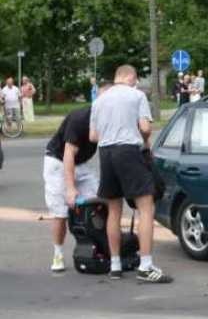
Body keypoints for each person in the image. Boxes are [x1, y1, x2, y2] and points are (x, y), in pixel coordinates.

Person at [89, 64, 172, 283]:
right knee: (146, 207)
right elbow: (145, 128)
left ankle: (115, 265)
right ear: (130, 77)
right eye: (135, 80)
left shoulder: (99, 101)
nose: (135, 83)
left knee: (114, 210)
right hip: (128, 151)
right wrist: (141, 138)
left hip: (106, 153)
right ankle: (145, 266)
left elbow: (93, 136)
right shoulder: (136, 96)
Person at [43, 91, 105, 271]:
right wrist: (70, 188)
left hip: (82, 164)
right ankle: (58, 254)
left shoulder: (109, 117)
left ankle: (99, 248)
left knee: (100, 203)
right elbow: (68, 154)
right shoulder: (79, 118)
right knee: (60, 212)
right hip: (58, 161)